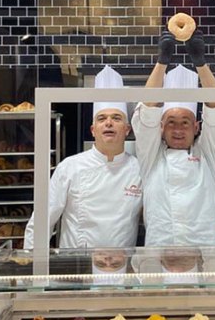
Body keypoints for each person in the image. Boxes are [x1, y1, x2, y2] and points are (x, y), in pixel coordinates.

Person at [23, 66, 142, 250]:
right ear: (93, 130)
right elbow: (41, 222)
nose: (108, 123)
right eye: (101, 118)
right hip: (76, 263)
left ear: (127, 129)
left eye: (116, 118)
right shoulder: (70, 167)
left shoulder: (139, 170)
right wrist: (32, 263)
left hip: (122, 264)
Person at [131, 28, 215, 246]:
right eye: (171, 123)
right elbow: (146, 113)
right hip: (161, 249)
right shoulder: (151, 156)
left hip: (205, 252)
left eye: (185, 122)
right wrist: (161, 62)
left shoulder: (207, 153)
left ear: (196, 127)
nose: (178, 129)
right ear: (160, 127)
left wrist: (201, 63)